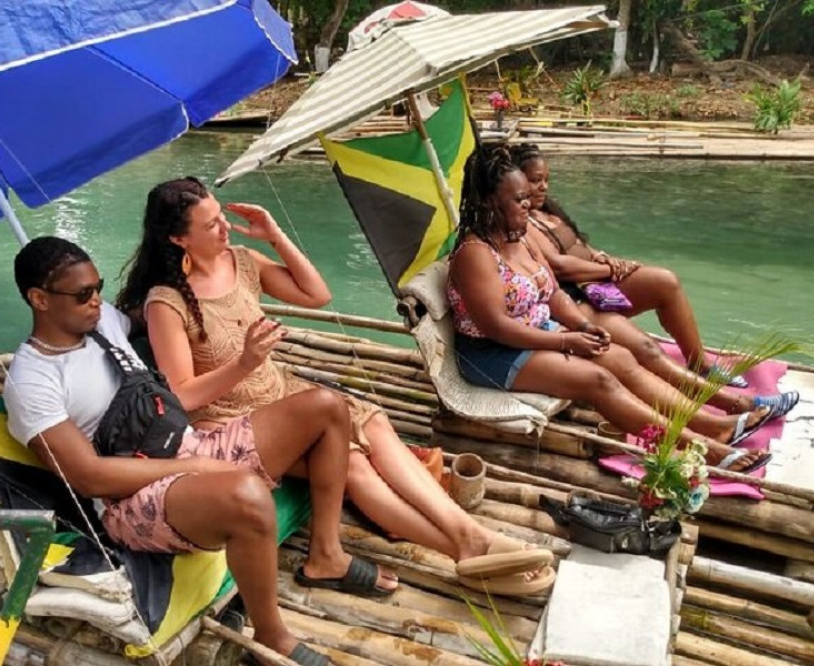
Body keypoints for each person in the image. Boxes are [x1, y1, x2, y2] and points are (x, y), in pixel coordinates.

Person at [116, 177, 556, 597]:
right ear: (178, 240)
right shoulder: (166, 302)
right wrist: (245, 362)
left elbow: (317, 295)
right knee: (354, 463)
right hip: (230, 421)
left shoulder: (242, 261)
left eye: (222, 216)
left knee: (374, 423)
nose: (225, 227)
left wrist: (275, 237)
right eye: (210, 224)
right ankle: (463, 549)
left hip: (279, 390)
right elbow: (184, 395)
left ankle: (471, 536)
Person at [3, 236, 394, 666]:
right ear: (38, 299)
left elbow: (157, 311)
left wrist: (195, 271)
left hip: (187, 445)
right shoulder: (32, 381)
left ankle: (326, 555)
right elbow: (88, 476)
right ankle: (271, 637)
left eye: (97, 287)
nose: (96, 300)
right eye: (82, 294)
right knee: (248, 496)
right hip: (130, 501)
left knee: (326, 407)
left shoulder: (104, 323)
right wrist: (192, 465)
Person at [448, 145, 780, 475]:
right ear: (490, 202)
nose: (527, 205)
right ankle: (701, 448)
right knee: (599, 380)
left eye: (525, 198)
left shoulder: (517, 238)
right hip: (493, 353)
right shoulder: (475, 254)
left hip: (537, 334)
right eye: (517, 200)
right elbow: (496, 327)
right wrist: (566, 342)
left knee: (620, 357)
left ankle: (715, 425)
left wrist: (580, 324)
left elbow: (552, 294)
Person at [511, 144, 798, 419]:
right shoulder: (521, 222)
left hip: (597, 283)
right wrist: (610, 271)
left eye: (547, 179)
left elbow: (578, 247)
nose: (544, 187)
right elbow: (560, 267)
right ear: (517, 180)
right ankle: (733, 406)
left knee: (664, 281)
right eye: (536, 181)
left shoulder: (548, 210)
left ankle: (700, 364)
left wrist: (605, 259)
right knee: (647, 349)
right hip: (577, 298)